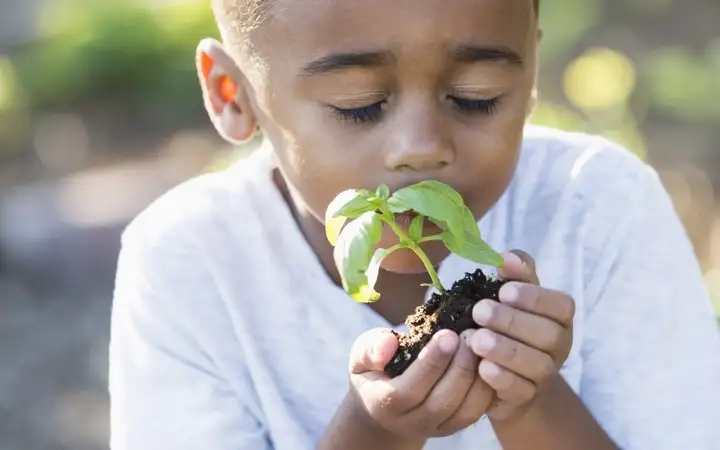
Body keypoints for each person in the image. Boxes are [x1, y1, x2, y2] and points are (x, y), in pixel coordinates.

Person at [108, 0, 720, 448]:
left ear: (531, 66)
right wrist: (373, 434)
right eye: (359, 106)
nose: (422, 147)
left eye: (477, 95)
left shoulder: (601, 204)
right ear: (232, 93)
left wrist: (530, 402)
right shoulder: (185, 261)